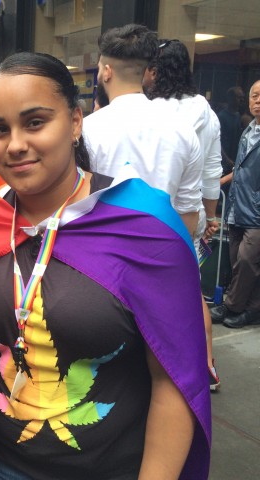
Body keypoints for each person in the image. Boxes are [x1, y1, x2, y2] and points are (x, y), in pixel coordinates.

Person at [0, 52, 210, 479]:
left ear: (76, 122)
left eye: (35, 122)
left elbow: (176, 381)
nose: (15, 144)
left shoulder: (144, 225)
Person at [144, 38, 224, 391]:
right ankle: (205, 366)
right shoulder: (206, 112)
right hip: (188, 219)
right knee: (192, 295)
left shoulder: (148, 109)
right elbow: (211, 171)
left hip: (148, 218)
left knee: (150, 298)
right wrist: (212, 217)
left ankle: (155, 368)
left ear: (156, 70)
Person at [83, 24, 203, 238]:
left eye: (100, 67)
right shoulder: (183, 129)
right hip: (161, 251)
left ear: (108, 72)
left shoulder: (88, 128)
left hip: (103, 252)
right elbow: (188, 211)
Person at [210, 79, 260, 329]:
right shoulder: (248, 131)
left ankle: (232, 305)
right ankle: (251, 310)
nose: (256, 101)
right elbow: (241, 169)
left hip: (257, 213)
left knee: (247, 261)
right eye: (253, 96)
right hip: (238, 208)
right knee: (238, 261)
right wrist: (223, 180)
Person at [218, 86, 245, 180]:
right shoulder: (221, 117)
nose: (241, 100)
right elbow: (217, 141)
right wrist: (227, 159)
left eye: (242, 97)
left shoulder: (238, 116)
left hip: (234, 160)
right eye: (239, 97)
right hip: (223, 162)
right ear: (231, 98)